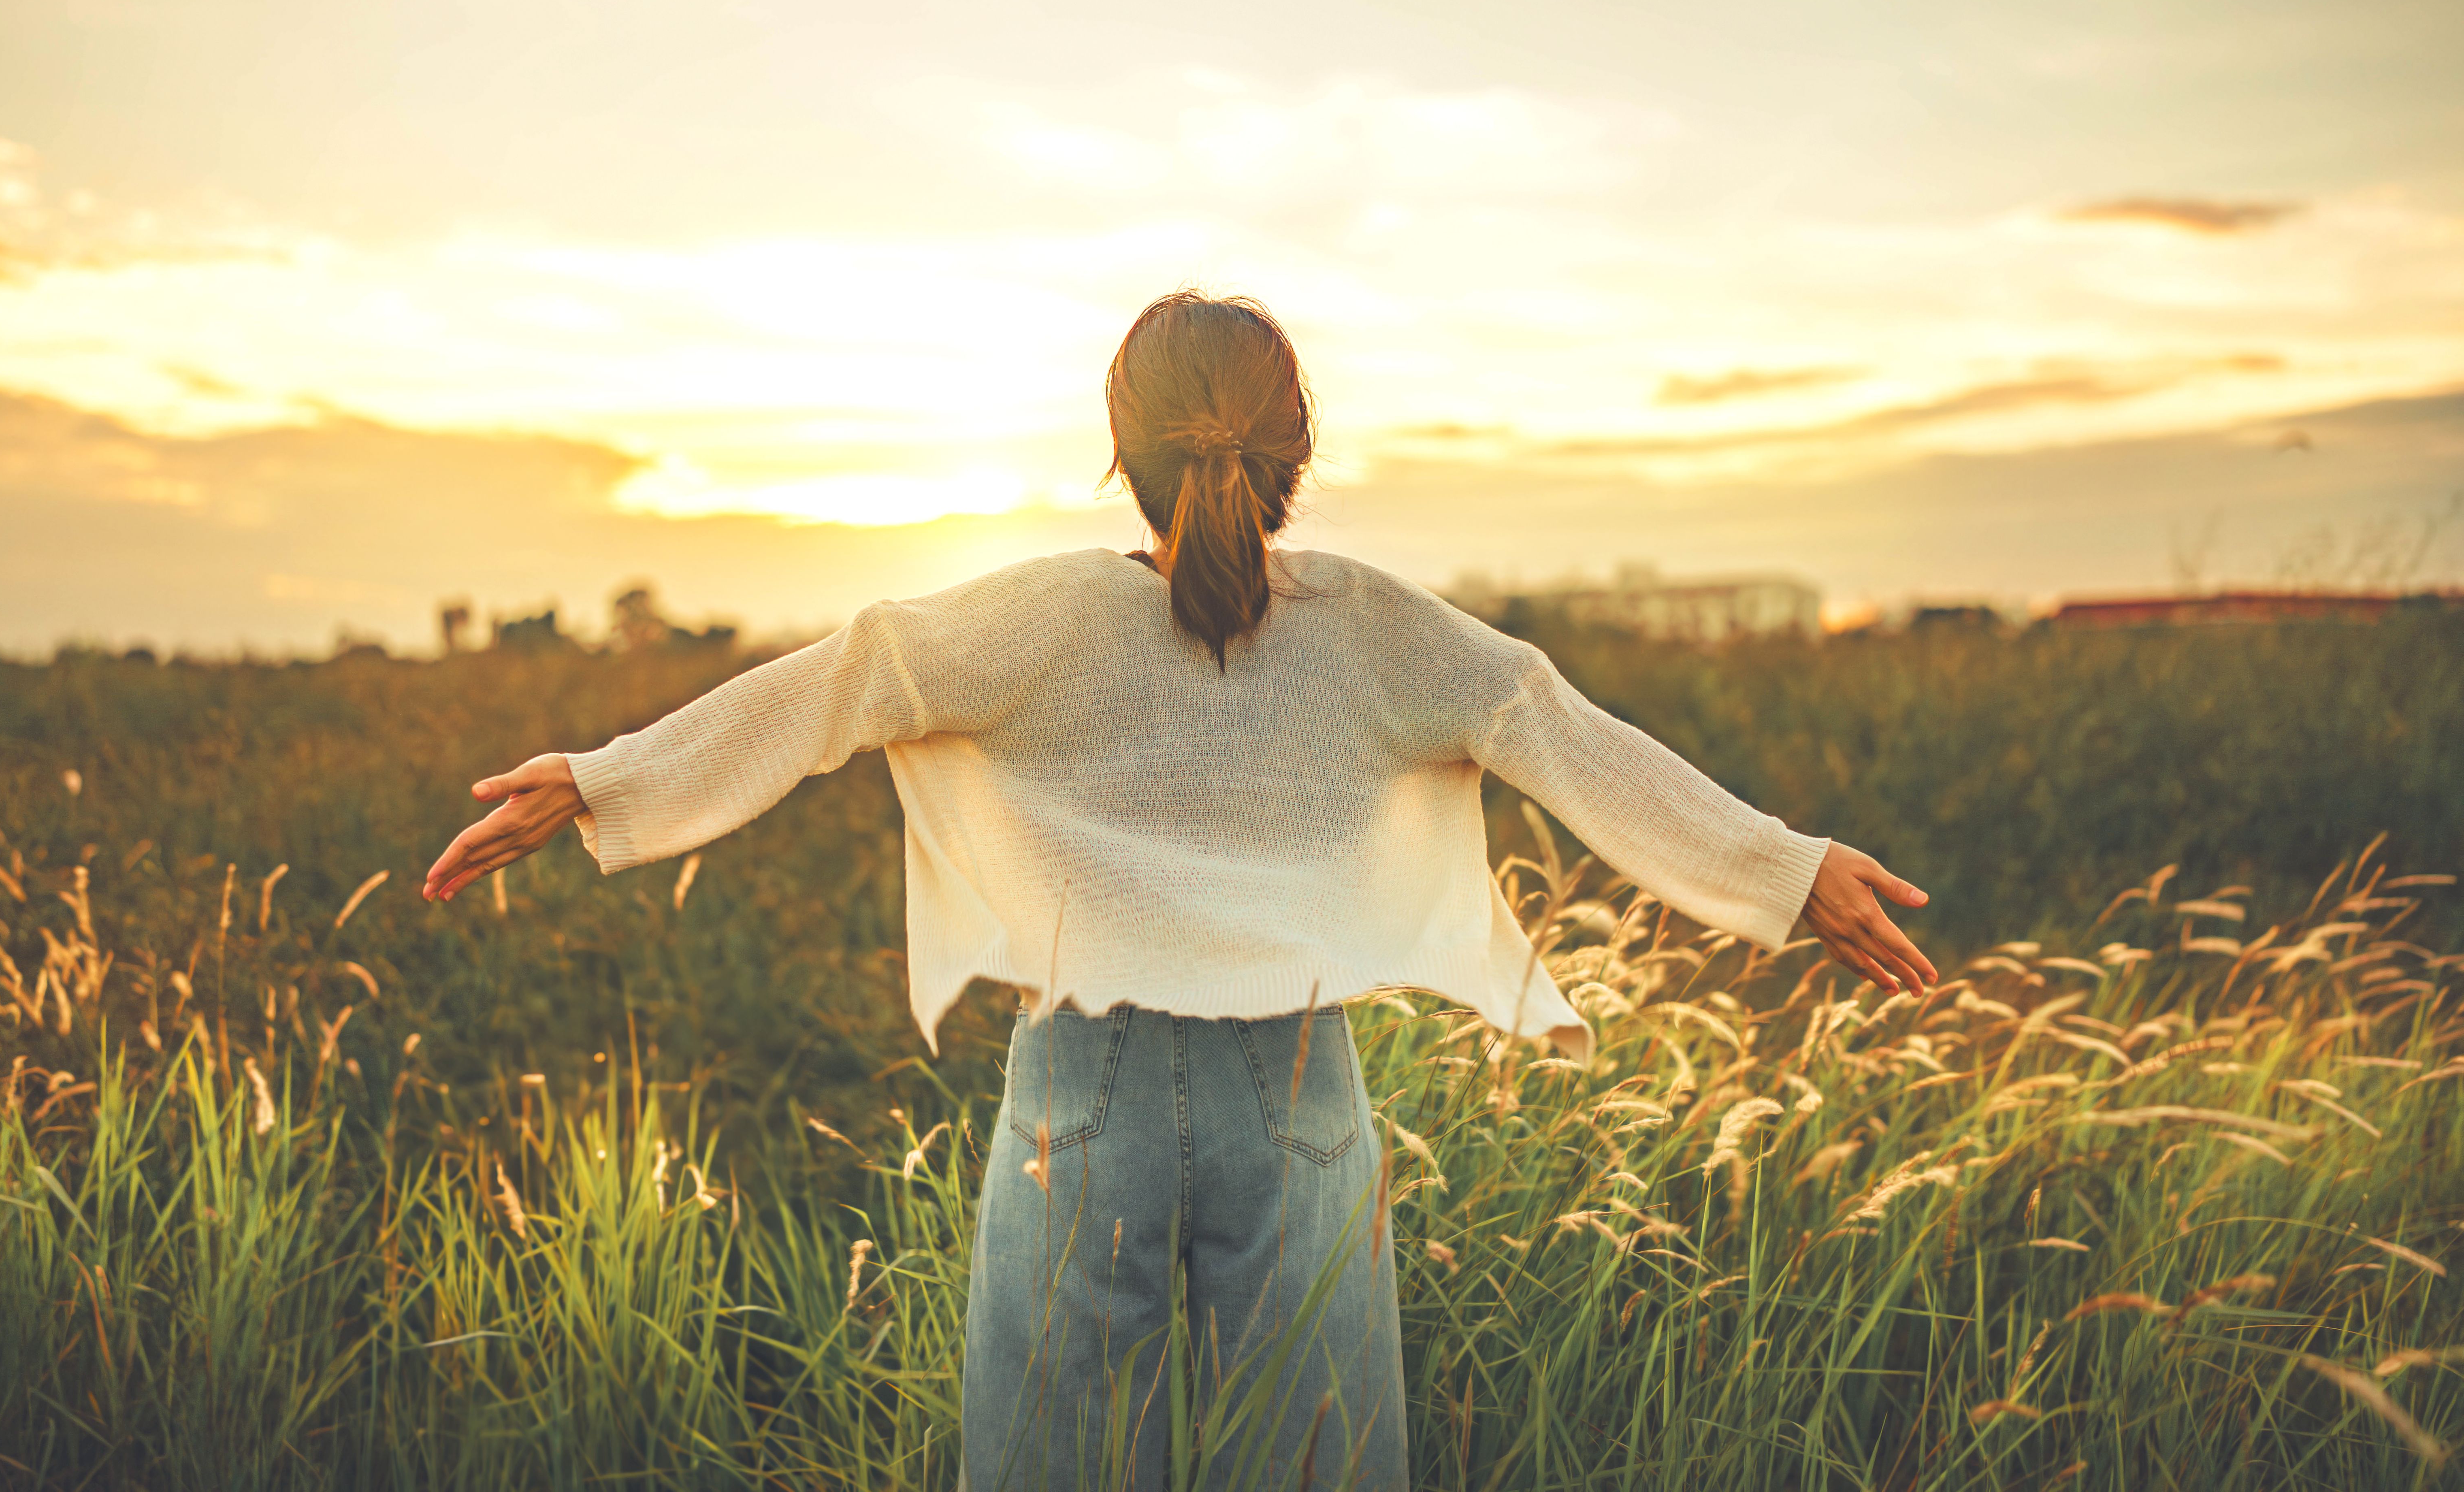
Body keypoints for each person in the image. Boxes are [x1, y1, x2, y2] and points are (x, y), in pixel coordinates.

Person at [421, 291, 1938, 1488]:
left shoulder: (1041, 620)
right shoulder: (1383, 632)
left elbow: (847, 679)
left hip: (1082, 1086)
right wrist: (1787, 873)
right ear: (1298, 450)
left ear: (1121, 445)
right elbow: (1567, 735)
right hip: (1301, 1091)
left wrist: (603, 780)